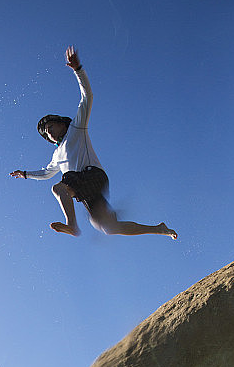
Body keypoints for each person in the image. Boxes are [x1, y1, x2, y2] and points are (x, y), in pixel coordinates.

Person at [10, 46, 177, 240]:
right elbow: (46, 173)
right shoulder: (56, 156)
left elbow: (87, 97)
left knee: (59, 188)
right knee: (106, 226)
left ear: (62, 124)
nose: (49, 132)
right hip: (83, 190)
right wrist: (25, 174)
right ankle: (160, 229)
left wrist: (78, 70)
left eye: (51, 127)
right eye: (47, 134)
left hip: (93, 176)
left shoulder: (76, 129)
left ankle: (71, 225)